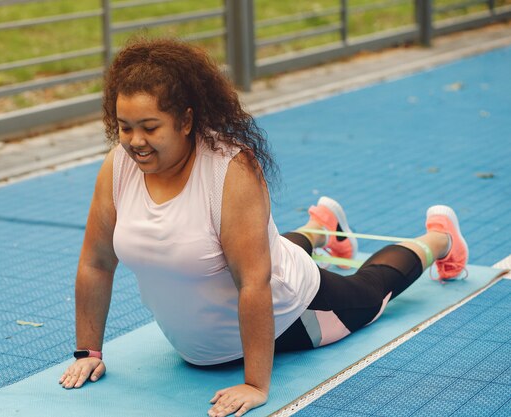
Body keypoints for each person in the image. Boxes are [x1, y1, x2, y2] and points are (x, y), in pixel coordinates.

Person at [58, 38, 468, 417]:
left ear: (185, 121)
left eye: (150, 127)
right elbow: (96, 262)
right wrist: (87, 351)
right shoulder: (119, 166)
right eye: (125, 126)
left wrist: (255, 384)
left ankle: (441, 237)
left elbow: (254, 280)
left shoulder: (229, 170)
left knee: (372, 289)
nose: (134, 141)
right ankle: (322, 226)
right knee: (231, 248)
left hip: (296, 312)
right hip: (205, 340)